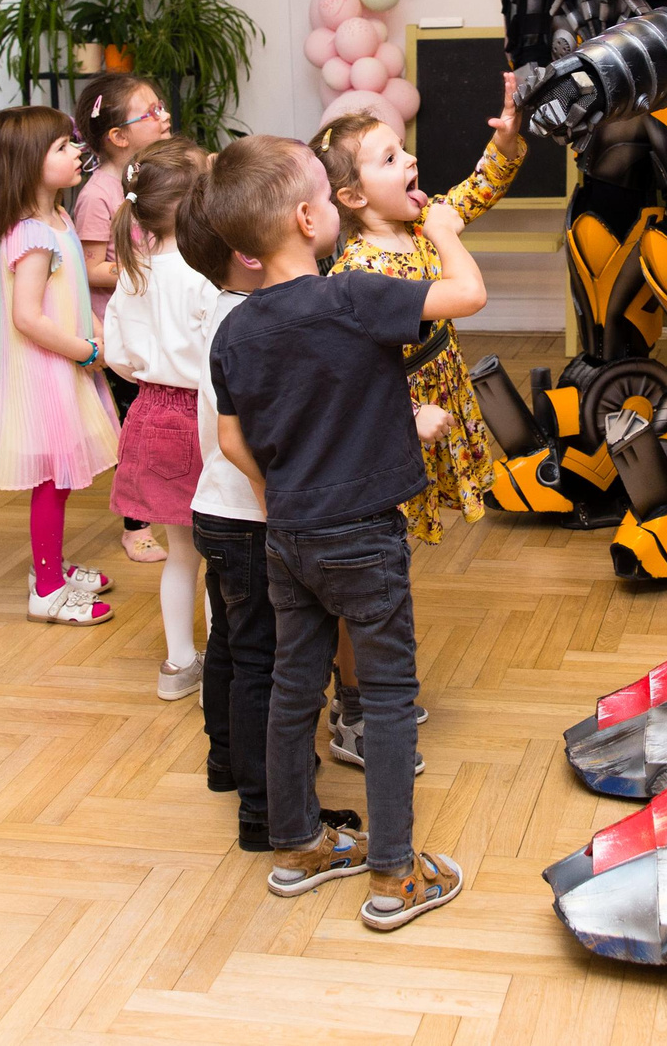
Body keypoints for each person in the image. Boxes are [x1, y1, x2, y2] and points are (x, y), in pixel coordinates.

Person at [199, 136, 483, 931]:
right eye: (328, 191)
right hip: (363, 536)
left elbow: (232, 440)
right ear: (305, 218)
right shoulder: (354, 294)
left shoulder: (233, 333)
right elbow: (467, 295)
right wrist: (444, 228)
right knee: (389, 696)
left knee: (296, 687)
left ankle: (297, 845)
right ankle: (394, 874)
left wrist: (286, 492)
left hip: (287, 534)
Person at [311, 82, 521, 769]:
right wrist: (404, 416)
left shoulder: (417, 223)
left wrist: (509, 136)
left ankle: (375, 682)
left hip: (429, 414)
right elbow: (351, 374)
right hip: (390, 425)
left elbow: (478, 190)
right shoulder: (361, 267)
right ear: (350, 198)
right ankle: (357, 701)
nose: (410, 161)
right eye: (388, 156)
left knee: (389, 563)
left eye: (403, 149)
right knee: (371, 570)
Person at [175, 186, 363, 852]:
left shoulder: (223, 309)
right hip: (249, 514)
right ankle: (268, 810)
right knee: (268, 662)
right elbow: (246, 438)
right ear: (250, 253)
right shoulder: (254, 327)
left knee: (232, 644)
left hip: (213, 510)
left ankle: (228, 763)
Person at [0, 106, 123, 625]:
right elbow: (28, 318)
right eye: (61, 148)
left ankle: (51, 566)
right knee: (52, 477)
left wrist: (96, 334)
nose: (77, 152)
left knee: (60, 475)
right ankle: (47, 589)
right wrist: (88, 351)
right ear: (26, 165)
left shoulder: (57, 220)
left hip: (65, 361)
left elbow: (72, 297)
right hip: (45, 371)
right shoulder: (31, 236)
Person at [107, 139, 216, 700]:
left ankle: (178, 665)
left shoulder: (133, 271)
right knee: (222, 552)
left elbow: (116, 356)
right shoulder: (205, 275)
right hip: (204, 417)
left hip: (150, 413)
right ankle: (222, 669)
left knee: (180, 553)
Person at [74, 69, 172, 566]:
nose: (165, 116)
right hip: (121, 332)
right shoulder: (99, 194)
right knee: (138, 430)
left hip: (152, 321)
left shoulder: (145, 180)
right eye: (151, 112)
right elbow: (89, 268)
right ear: (118, 136)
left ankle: (164, 506)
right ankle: (137, 526)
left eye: (162, 107)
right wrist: (149, 272)